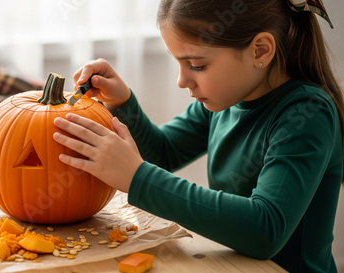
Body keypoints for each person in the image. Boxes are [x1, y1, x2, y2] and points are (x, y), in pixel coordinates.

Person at [53, 0, 343, 272]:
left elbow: (264, 230)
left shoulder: (308, 113)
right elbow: (162, 153)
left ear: (260, 51)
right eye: (178, 63)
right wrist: (121, 103)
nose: (182, 81)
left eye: (197, 65)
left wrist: (137, 177)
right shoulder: (225, 102)